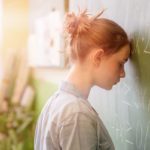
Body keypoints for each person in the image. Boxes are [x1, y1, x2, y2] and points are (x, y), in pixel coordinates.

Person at [34, 9, 131, 150]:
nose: (122, 74)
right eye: (120, 63)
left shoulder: (54, 102)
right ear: (98, 57)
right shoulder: (77, 114)